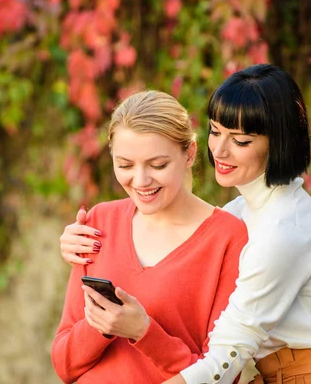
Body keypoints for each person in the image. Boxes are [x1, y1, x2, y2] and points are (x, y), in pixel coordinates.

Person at [59, 64, 311, 384]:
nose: (219, 150)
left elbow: (227, 354)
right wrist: (72, 241)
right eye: (216, 131)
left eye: (241, 141)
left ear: (278, 142)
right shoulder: (243, 213)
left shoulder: (282, 229)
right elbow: (195, 231)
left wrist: (143, 332)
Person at [51, 90, 249, 383]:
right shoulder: (98, 223)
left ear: (189, 154)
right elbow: (64, 364)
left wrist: (143, 331)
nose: (141, 181)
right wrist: (102, 326)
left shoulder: (227, 239)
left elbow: (223, 374)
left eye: (158, 165)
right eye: (125, 165)